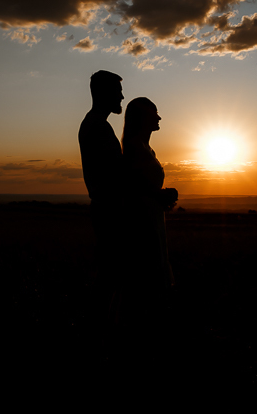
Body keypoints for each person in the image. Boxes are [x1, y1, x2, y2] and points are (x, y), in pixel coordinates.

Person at [117, 97, 177, 327]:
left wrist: (161, 195)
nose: (159, 117)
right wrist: (158, 195)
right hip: (141, 222)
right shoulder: (133, 147)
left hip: (154, 218)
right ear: (142, 117)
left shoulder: (146, 147)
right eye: (155, 113)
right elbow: (131, 188)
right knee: (145, 277)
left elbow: (143, 186)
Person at [78, 70, 125, 320]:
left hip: (105, 209)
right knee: (110, 276)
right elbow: (116, 175)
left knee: (110, 275)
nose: (122, 97)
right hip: (108, 211)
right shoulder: (98, 127)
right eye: (117, 92)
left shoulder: (95, 124)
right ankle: (96, 332)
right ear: (105, 93)